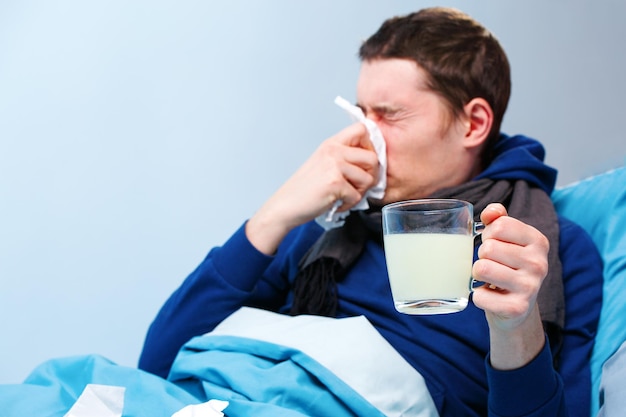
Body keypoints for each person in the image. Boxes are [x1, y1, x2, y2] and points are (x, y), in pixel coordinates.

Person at [138, 7, 603, 417]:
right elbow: (158, 364)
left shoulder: (541, 250)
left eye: (389, 115)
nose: (365, 136)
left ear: (473, 123)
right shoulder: (327, 226)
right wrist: (274, 216)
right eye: (361, 113)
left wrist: (515, 327)